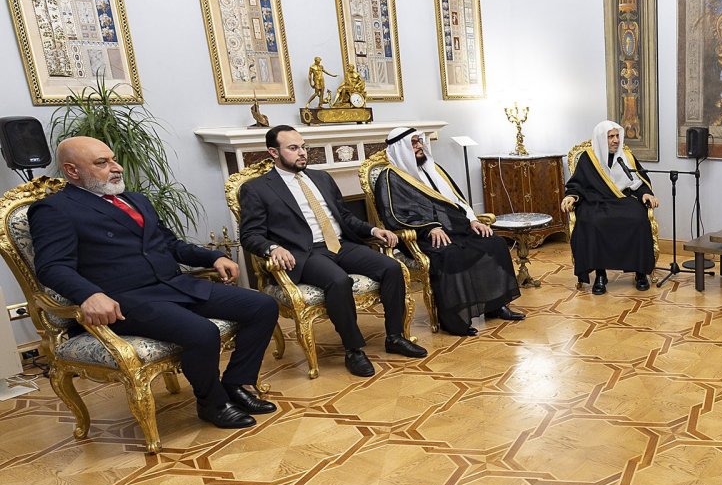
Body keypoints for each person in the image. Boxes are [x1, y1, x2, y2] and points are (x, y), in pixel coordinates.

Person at [30, 137, 279, 429]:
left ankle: (236, 384)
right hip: (125, 300)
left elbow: (170, 244)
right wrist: (89, 294)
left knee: (261, 305)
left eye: (113, 159)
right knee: (202, 331)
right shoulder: (55, 209)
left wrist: (212, 257)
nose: (116, 167)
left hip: (172, 286)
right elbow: (51, 266)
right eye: (102, 163)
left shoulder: (137, 200)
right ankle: (213, 403)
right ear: (72, 171)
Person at [238, 125, 426, 377]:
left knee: (391, 267)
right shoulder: (258, 188)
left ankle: (394, 337)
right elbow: (250, 235)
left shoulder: (321, 178)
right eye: (293, 148)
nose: (302, 153)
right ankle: (354, 350)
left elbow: (345, 217)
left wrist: (372, 232)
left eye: (303, 147)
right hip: (305, 253)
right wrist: (273, 247)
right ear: (273, 152)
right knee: (338, 281)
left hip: (340, 244)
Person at [374, 127, 522, 336]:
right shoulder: (390, 178)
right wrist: (429, 227)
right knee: (449, 254)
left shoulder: (434, 168)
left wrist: (472, 220)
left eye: (419, 142)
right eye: (414, 143)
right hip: (421, 238)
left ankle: (495, 305)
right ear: (401, 148)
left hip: (456, 228)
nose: (419, 146)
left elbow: (457, 200)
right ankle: (454, 319)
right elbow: (393, 215)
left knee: (494, 243)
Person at [560, 120, 658, 294]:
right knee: (594, 221)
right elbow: (577, 184)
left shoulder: (625, 156)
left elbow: (638, 179)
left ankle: (640, 272)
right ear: (600, 139)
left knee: (638, 219)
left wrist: (645, 193)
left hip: (623, 199)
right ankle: (599, 273)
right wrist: (571, 196)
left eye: (617, 136)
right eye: (611, 137)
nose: (616, 140)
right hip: (596, 201)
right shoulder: (588, 158)